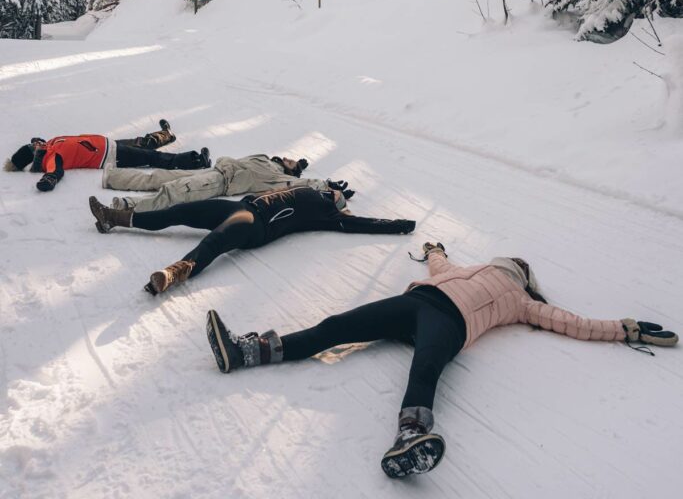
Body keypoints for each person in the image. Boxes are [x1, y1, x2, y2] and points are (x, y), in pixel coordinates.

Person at [203, 243, 679, 480]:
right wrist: (435, 249)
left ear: (520, 276)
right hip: (417, 303)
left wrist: (624, 328)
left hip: (449, 324)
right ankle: (250, 350)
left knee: (426, 365)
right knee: (337, 325)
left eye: (513, 264)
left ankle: (411, 434)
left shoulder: (522, 301)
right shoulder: (465, 269)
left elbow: (571, 321)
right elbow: (438, 266)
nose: (506, 263)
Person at [88, 186, 415, 295]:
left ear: (338, 204)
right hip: (240, 206)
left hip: (254, 224)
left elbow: (364, 224)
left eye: (338, 196)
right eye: (335, 191)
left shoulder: (330, 214)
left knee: (214, 244)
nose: (334, 193)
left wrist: (400, 225)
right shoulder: (306, 187)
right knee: (179, 211)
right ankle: (114, 219)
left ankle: (172, 274)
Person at [101, 152, 354, 213]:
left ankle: (127, 206)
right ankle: (113, 178)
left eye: (292, 162)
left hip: (219, 182)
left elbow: (304, 183)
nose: (288, 158)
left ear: (292, 171)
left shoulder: (281, 178)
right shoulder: (265, 158)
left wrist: (327, 185)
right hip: (215, 170)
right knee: (158, 177)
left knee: (173, 192)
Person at [5, 120, 210, 191]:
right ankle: (195, 161)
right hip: (110, 156)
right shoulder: (51, 159)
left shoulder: (49, 144)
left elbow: (38, 140)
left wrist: (35, 144)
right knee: (151, 158)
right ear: (36, 156)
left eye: (35, 143)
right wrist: (48, 180)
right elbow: (55, 172)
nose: (38, 144)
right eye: (35, 147)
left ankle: (167, 134)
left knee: (143, 143)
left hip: (109, 144)